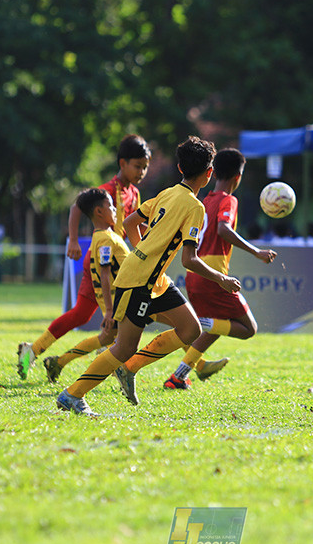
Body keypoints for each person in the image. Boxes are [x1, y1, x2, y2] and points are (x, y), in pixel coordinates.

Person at [55, 136, 240, 416]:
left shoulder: (167, 193)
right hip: (139, 281)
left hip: (153, 280)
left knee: (191, 329)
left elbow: (130, 223)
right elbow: (189, 259)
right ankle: (72, 394)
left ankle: (128, 369)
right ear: (209, 173)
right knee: (123, 347)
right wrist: (221, 279)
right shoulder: (195, 207)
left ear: (180, 168)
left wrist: (142, 252)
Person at [17, 134, 150, 380]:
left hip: (117, 261)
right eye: (137, 166)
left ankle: (36, 352)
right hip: (103, 262)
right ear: (122, 163)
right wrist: (73, 239)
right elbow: (77, 206)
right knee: (119, 321)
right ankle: (110, 358)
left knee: (82, 314)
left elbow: (133, 226)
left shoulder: (134, 193)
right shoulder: (108, 191)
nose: (141, 172)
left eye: (145, 167)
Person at [160, 148, 277, 390]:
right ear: (238, 176)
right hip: (213, 275)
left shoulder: (206, 201)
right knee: (248, 329)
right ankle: (198, 322)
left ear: (214, 173)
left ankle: (178, 377)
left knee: (218, 324)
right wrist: (257, 252)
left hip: (196, 273)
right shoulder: (228, 200)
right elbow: (223, 229)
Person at [41, 188, 129, 384]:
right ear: (99, 212)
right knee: (124, 344)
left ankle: (59, 362)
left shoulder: (107, 235)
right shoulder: (105, 239)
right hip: (122, 300)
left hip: (122, 299)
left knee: (107, 339)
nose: (115, 209)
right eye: (110, 206)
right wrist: (109, 310)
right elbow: (104, 274)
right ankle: (92, 382)